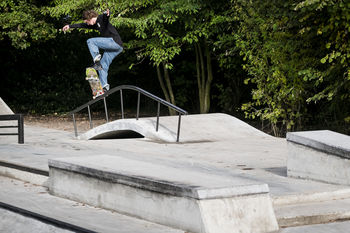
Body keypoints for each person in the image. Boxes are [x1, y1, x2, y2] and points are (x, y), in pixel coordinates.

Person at [62, 9, 123, 92]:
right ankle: (104, 87)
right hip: (117, 48)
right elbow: (82, 25)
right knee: (103, 66)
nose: (87, 24)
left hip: (114, 42)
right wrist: (69, 26)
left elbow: (105, 17)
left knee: (90, 41)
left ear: (90, 18)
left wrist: (107, 13)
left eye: (87, 22)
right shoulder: (94, 25)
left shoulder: (100, 18)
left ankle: (96, 60)